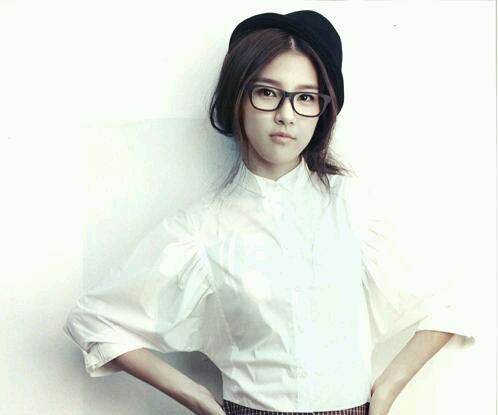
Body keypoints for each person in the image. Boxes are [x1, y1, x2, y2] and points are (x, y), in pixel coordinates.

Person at [63, 10, 475, 415]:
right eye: (267, 92)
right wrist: (198, 398)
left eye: (306, 97)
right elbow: (94, 320)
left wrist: (387, 390)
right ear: (237, 99)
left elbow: (448, 298)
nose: (286, 114)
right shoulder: (201, 228)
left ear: (323, 110)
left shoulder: (355, 207)